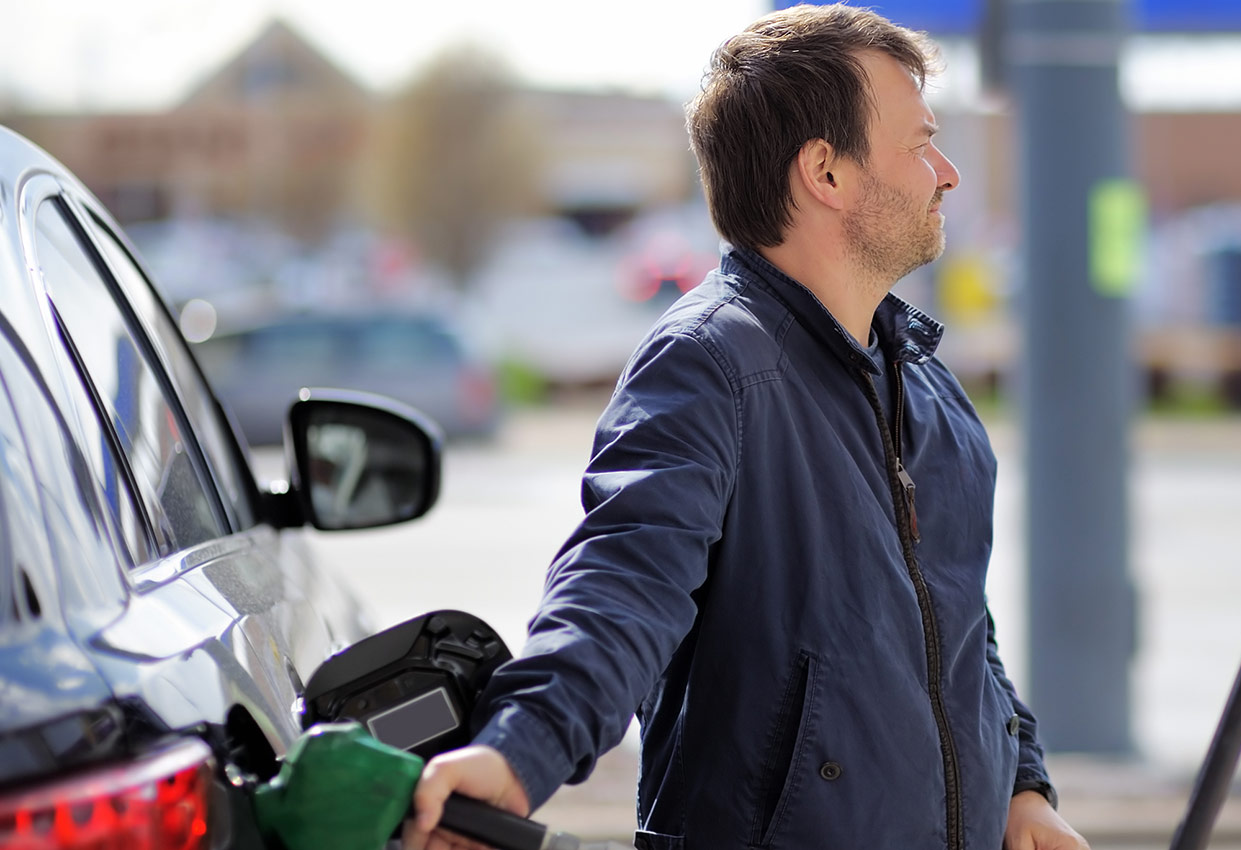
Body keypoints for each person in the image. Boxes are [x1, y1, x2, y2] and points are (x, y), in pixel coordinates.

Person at [404, 5, 1089, 849]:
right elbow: (620, 589)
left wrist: (1021, 789)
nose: (945, 172)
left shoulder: (928, 388)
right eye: (919, 143)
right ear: (825, 174)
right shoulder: (709, 365)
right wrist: (516, 753)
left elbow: (956, 632)